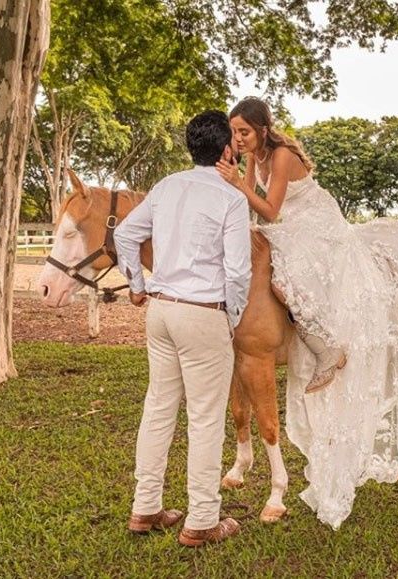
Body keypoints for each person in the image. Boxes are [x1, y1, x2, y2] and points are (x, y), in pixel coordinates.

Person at [216, 97, 398, 529]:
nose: (238, 138)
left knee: (284, 277)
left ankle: (326, 347)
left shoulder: (280, 155)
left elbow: (271, 209)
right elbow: (249, 207)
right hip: (287, 228)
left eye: (244, 131)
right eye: (234, 132)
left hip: (317, 228)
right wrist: (234, 180)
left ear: (263, 129)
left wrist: (238, 184)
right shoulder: (252, 158)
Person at [114, 110, 251, 546]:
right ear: (226, 149)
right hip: (203, 312)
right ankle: (203, 519)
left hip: (161, 310)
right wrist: (231, 316)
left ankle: (146, 507)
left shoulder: (166, 186)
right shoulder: (231, 198)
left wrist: (137, 283)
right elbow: (238, 270)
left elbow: (124, 235)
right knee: (205, 417)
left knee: (158, 407)